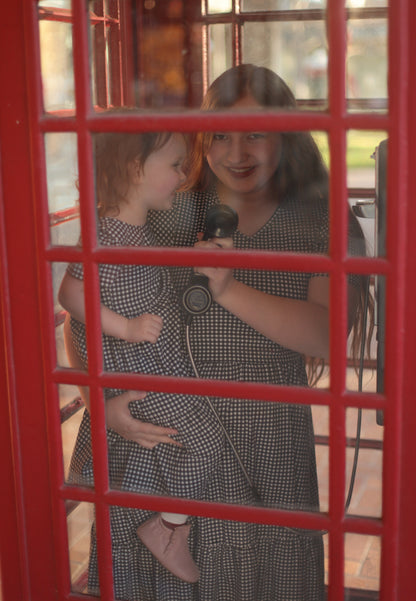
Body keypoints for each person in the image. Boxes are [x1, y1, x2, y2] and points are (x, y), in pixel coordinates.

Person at [60, 64, 371, 601]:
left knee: (265, 575)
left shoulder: (318, 216)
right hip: (163, 434)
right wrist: (98, 399)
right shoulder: (168, 207)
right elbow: (85, 306)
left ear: (287, 133)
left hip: (265, 435)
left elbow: (326, 334)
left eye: (255, 132)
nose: (236, 153)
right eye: (220, 135)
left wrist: (227, 289)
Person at [60, 128, 225, 585]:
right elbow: (71, 294)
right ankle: (168, 528)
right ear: (136, 169)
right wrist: (125, 327)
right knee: (207, 439)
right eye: (174, 166)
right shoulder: (106, 232)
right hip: (138, 380)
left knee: (189, 445)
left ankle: (158, 524)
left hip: (156, 374)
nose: (182, 175)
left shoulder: (138, 230)